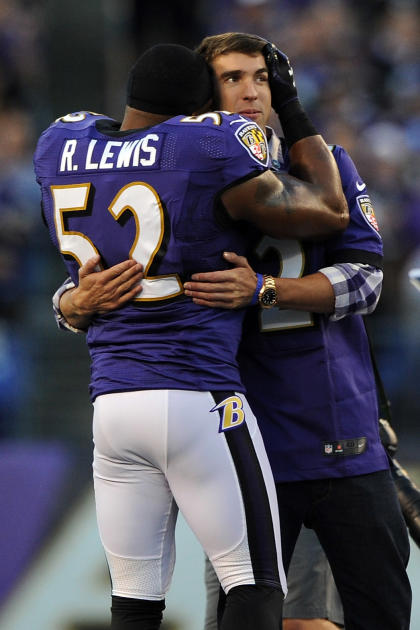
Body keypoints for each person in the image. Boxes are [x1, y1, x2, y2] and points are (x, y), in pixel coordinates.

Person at [50, 33, 412, 630]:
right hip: (234, 437)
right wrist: (72, 300)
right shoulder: (190, 164)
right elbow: (95, 272)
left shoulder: (321, 162)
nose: (249, 91)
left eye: (261, 78)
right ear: (199, 93)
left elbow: (369, 281)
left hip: (335, 434)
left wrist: (268, 290)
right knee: (265, 610)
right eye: (231, 78)